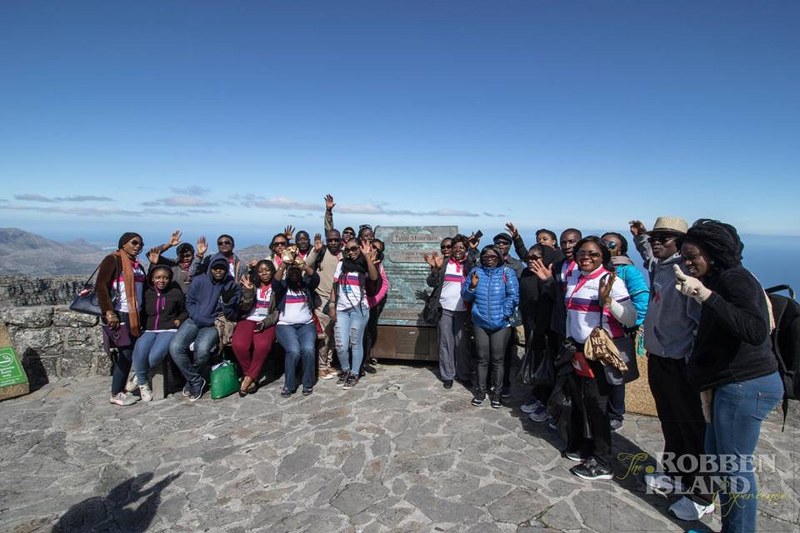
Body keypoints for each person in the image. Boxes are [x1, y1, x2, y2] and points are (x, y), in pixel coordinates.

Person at [677, 219, 781, 531]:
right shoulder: (721, 279)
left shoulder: (736, 279)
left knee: (734, 468)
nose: (687, 261)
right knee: (718, 460)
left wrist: (705, 296)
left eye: (692, 255)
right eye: (684, 255)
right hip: (730, 385)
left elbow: (755, 329)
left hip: (746, 385)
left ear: (714, 252)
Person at [629, 216, 713, 518]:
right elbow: (649, 256)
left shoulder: (686, 273)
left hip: (680, 362)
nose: (657, 241)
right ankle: (676, 475)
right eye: (655, 236)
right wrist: (640, 237)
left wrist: (691, 362)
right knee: (670, 421)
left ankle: (702, 494)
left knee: (692, 428)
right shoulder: (662, 268)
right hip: (660, 357)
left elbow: (698, 322)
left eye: (665, 237)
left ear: (681, 243)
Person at [563, 236, 636, 481]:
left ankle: (603, 461)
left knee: (598, 407)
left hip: (599, 354)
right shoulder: (575, 277)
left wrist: (609, 302)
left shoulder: (610, 281)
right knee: (582, 403)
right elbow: (572, 313)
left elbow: (630, 318)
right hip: (578, 350)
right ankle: (586, 447)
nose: (586, 257)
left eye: (593, 254)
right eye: (582, 252)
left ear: (603, 257)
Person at [169, 253, 240, 401]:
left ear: (227, 269)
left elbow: (232, 314)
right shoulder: (199, 281)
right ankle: (196, 380)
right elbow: (190, 302)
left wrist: (227, 302)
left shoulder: (231, 284)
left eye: (222, 268)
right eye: (215, 268)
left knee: (202, 350)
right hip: (195, 319)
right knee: (175, 347)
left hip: (214, 323)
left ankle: (193, 381)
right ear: (210, 268)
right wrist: (198, 317)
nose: (218, 271)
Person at [600, 231, 650, 431]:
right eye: (603, 243)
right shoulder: (599, 268)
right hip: (599, 331)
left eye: (611, 244)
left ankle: (616, 414)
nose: (606, 246)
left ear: (620, 249)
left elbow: (642, 302)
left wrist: (628, 323)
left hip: (618, 331)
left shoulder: (628, 271)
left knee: (615, 374)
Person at [461, 245, 519, 408]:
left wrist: (503, 313)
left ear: (499, 257)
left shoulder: (507, 273)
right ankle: (480, 391)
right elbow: (465, 295)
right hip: (480, 322)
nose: (489, 258)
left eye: (493, 256)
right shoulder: (475, 272)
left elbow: (513, 296)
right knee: (481, 359)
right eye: (486, 256)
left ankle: (497, 394)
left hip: (501, 323)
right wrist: (472, 286)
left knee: (498, 360)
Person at [96, 232, 147, 406]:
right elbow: (101, 285)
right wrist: (108, 311)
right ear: (123, 244)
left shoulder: (137, 265)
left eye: (140, 244)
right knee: (125, 355)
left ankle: (122, 390)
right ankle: (116, 392)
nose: (138, 246)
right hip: (120, 313)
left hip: (135, 314)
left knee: (130, 353)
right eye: (134, 242)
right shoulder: (113, 260)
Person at [329, 239, 381, 389]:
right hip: (342, 309)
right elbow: (335, 285)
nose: (351, 252)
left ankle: (354, 373)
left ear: (359, 248)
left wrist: (366, 257)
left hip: (359, 309)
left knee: (355, 343)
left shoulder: (365, 264)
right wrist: (332, 304)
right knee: (340, 345)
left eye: (354, 249)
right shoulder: (341, 264)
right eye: (348, 250)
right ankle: (345, 370)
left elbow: (373, 277)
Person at [131, 265, 187, 402]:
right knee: (139, 350)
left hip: (168, 329)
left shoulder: (176, 293)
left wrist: (179, 320)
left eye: (165, 278)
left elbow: (185, 310)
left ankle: (139, 376)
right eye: (158, 277)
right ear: (152, 279)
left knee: (155, 356)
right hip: (149, 329)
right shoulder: (146, 293)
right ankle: (143, 384)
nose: (161, 280)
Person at [518, 244, 559, 422]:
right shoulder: (526, 274)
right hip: (531, 327)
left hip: (548, 329)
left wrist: (548, 281)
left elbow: (555, 300)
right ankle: (538, 396)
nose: (531, 261)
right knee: (537, 365)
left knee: (548, 367)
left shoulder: (552, 276)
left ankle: (548, 404)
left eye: (536, 258)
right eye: (529, 258)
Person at [427, 235, 474, 389]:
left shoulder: (470, 264)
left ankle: (464, 374)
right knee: (445, 343)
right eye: (455, 247)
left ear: (466, 249)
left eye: (461, 247)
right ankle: (448, 375)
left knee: (463, 344)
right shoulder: (445, 263)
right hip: (444, 308)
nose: (457, 250)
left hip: (463, 310)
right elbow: (432, 282)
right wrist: (435, 269)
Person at [273, 261, 321, 397]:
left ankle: (307, 383)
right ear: (287, 273)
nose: (294, 274)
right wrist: (283, 265)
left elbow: (316, 278)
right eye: (291, 271)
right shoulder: (283, 286)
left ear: (300, 273)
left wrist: (304, 266)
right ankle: (289, 385)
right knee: (293, 351)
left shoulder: (306, 285)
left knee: (308, 350)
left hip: (306, 324)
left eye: (297, 271)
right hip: (285, 325)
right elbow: (275, 284)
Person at [231, 260, 277, 396]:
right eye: (261, 271)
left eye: (267, 270)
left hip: (266, 321)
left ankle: (247, 379)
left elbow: (277, 311)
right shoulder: (252, 285)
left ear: (272, 271)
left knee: (262, 345)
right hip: (249, 318)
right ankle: (251, 376)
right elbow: (244, 307)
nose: (264, 273)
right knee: (239, 344)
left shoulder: (277, 287)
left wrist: (265, 323)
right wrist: (249, 292)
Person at [363, 238, 389, 374]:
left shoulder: (379, 266)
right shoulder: (359, 263)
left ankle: (365, 361)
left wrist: (374, 301)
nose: (373, 249)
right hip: (358, 304)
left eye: (377, 249)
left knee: (368, 333)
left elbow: (385, 284)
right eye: (372, 246)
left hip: (371, 305)